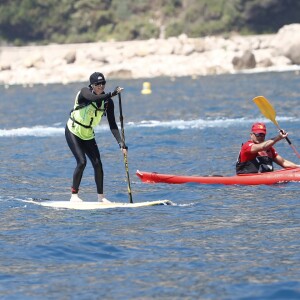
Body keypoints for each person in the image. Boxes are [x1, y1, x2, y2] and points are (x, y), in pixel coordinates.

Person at [65, 72, 127, 202]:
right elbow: (93, 99)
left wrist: (121, 143)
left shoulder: (108, 102)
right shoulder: (84, 92)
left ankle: (101, 198)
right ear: (92, 85)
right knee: (82, 162)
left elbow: (113, 125)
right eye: (97, 84)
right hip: (73, 130)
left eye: (103, 83)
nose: (101, 86)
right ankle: (74, 196)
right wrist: (111, 94)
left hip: (88, 134)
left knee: (98, 164)